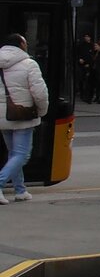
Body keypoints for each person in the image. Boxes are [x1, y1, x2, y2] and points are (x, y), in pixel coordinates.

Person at [0, 33, 49, 204]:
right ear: (21, 45)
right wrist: (42, 111)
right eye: (25, 42)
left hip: (2, 117)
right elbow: (40, 93)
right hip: (23, 115)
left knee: (14, 153)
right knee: (22, 154)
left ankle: (20, 190)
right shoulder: (29, 64)